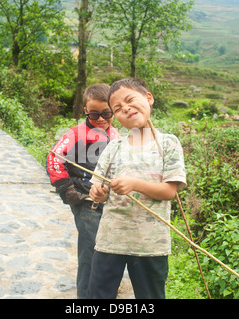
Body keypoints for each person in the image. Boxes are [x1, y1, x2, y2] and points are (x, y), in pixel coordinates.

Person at [88, 78, 187, 299]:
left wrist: (134, 184)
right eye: (118, 109)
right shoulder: (114, 147)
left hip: (150, 244)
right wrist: (99, 193)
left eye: (130, 100)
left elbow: (169, 192)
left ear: (149, 98)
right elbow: (98, 187)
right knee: (98, 296)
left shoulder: (168, 144)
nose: (126, 109)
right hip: (110, 240)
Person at [46, 83, 120, 299]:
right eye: (95, 113)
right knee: (91, 253)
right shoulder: (75, 133)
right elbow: (54, 157)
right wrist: (67, 190)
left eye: (107, 113)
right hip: (86, 200)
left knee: (109, 251)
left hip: (111, 202)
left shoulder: (115, 135)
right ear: (85, 110)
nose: (101, 118)